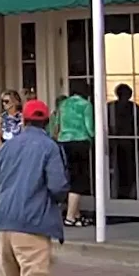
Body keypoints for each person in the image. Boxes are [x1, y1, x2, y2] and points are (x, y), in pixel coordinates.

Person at [0, 100, 69, 276]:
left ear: (24, 120)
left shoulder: (7, 146)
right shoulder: (50, 146)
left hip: (4, 220)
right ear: (48, 121)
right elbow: (58, 186)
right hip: (33, 221)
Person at [56, 84, 95, 227]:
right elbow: (89, 127)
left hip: (64, 141)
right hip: (80, 141)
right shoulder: (86, 105)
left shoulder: (63, 104)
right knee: (79, 179)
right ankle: (70, 217)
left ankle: (76, 214)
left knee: (70, 175)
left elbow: (57, 124)